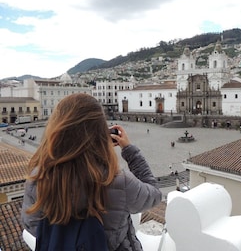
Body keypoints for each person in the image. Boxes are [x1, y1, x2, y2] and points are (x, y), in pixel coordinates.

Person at [21, 93, 162, 251]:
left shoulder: (37, 178)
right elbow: (154, 195)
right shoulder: (116, 180)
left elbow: (31, 225)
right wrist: (130, 151)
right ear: (100, 132)